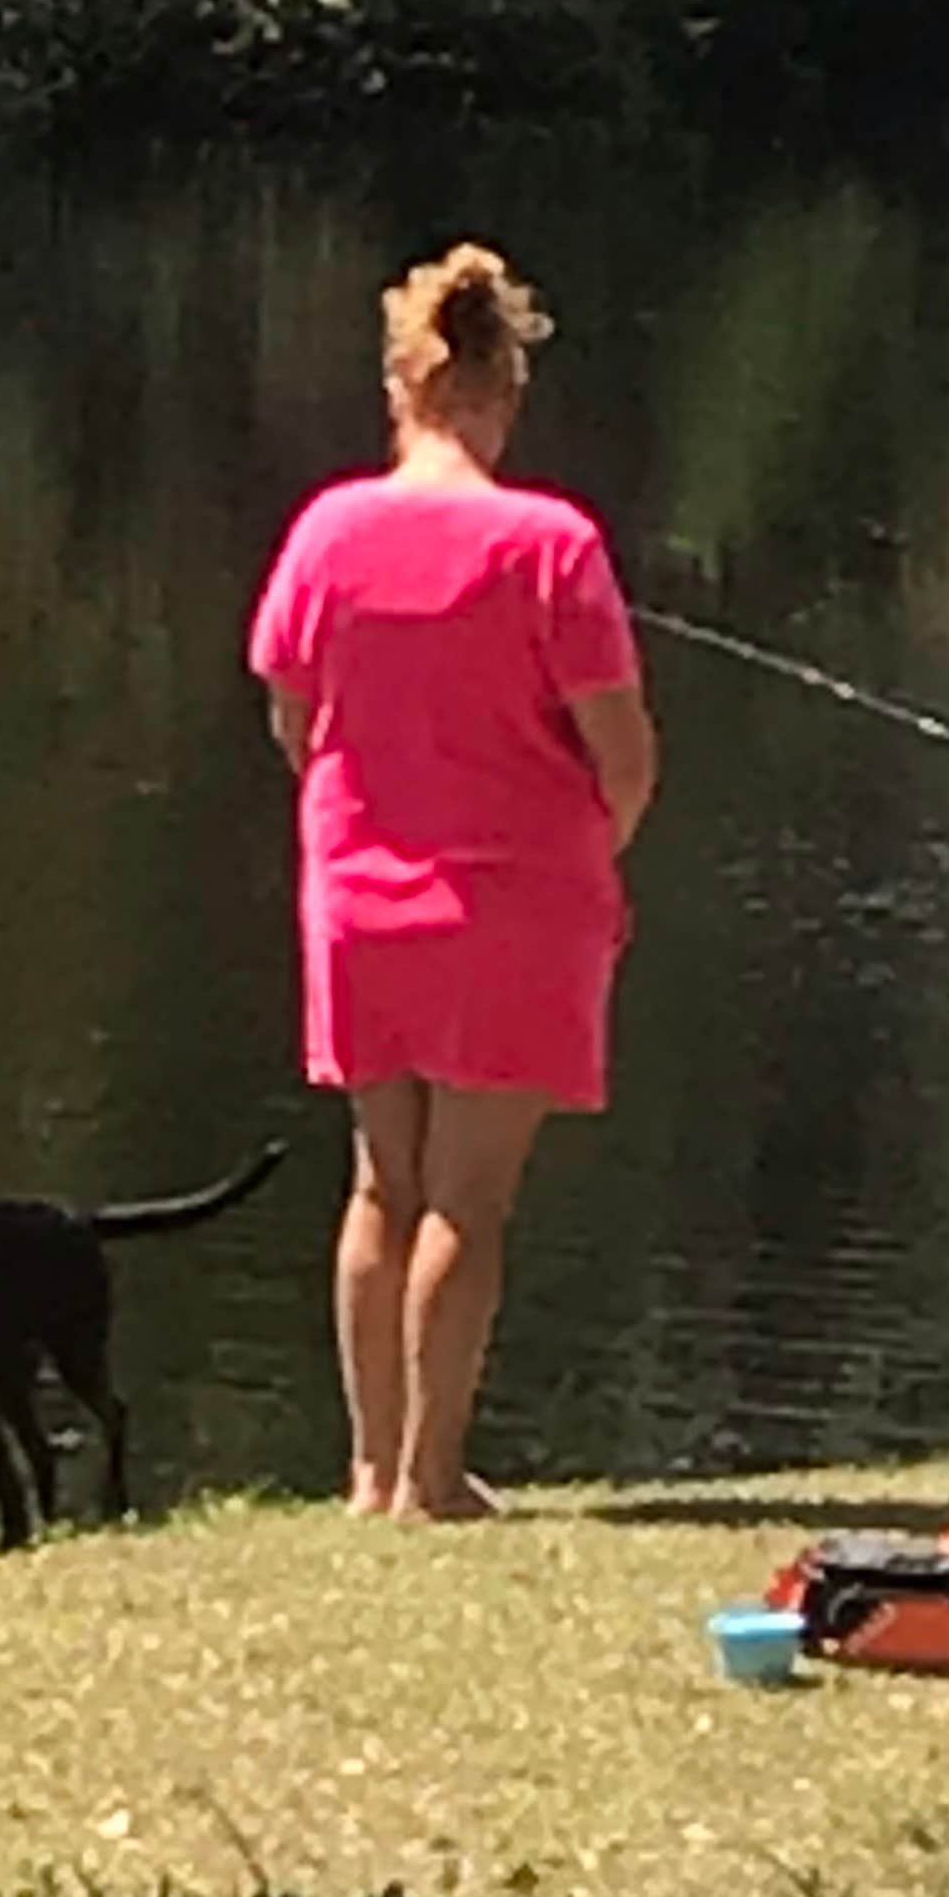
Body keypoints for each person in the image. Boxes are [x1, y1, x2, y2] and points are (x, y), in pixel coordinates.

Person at [247, 243, 656, 1523]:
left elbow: (290, 714)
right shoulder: (552, 544)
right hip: (516, 902)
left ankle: (368, 1474)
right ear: (501, 390)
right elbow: (624, 755)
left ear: (398, 388)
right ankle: (435, 1477)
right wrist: (593, 849)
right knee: (469, 1205)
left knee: (383, 1181)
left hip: (360, 894)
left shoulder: (327, 529)